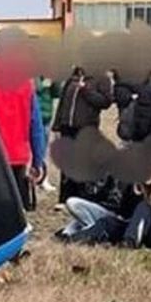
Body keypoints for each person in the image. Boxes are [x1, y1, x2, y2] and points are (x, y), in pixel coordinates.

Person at [0, 42, 46, 211]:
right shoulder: (25, 85)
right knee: (18, 209)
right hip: (18, 155)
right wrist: (38, 161)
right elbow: (35, 126)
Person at [56, 167, 151, 250]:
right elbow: (124, 213)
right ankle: (74, 239)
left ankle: (129, 243)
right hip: (135, 227)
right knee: (108, 222)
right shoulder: (133, 186)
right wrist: (135, 191)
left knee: (144, 208)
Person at [50, 66, 113, 204]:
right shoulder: (72, 76)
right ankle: (64, 198)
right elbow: (62, 103)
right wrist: (57, 126)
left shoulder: (101, 78)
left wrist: (86, 90)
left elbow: (105, 102)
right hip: (67, 126)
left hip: (86, 127)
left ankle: (82, 197)